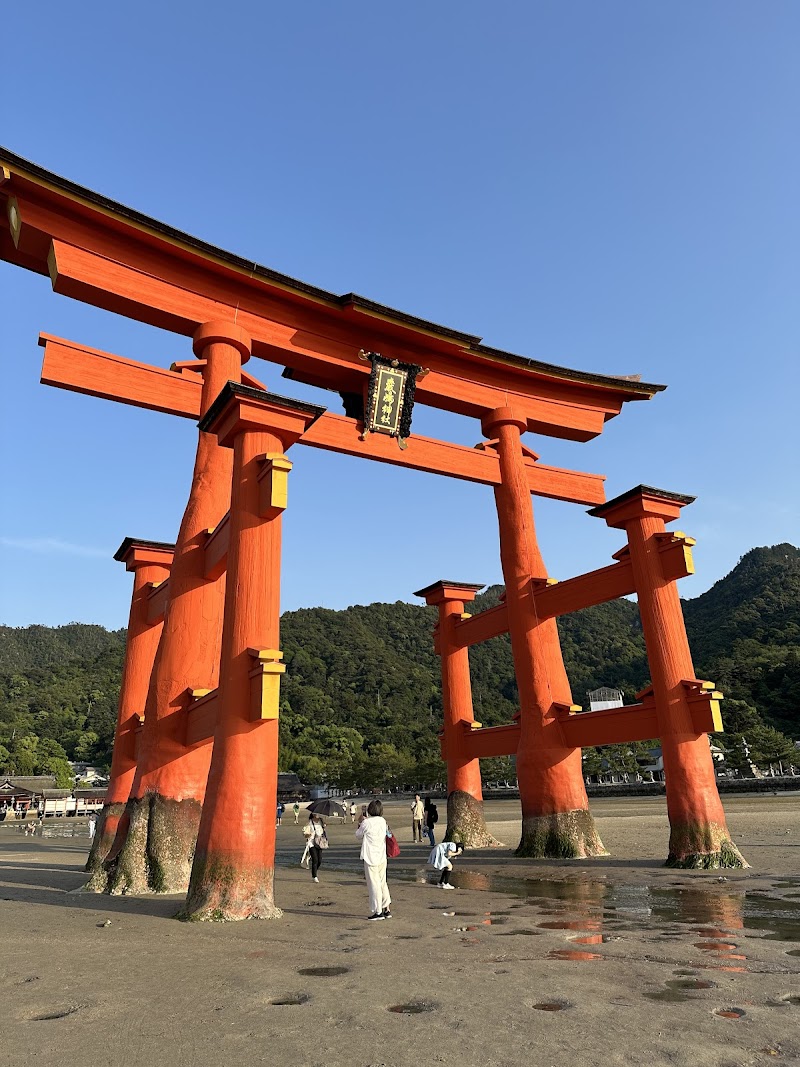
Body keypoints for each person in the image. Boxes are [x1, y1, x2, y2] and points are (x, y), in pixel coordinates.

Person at [355, 799, 392, 920]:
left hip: (371, 856)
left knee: (374, 884)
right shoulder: (382, 821)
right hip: (381, 855)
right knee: (382, 882)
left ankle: (378, 911)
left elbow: (358, 835)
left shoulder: (367, 823)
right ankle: (386, 908)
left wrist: (360, 823)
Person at [305, 813, 327, 882]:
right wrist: (309, 834)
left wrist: (324, 827)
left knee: (319, 860)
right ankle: (314, 876)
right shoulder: (309, 822)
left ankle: (314, 871)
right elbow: (305, 833)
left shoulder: (321, 821)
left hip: (319, 842)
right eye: (316, 814)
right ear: (313, 814)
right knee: (315, 859)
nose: (317, 815)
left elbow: (323, 832)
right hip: (311, 843)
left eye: (318, 814)